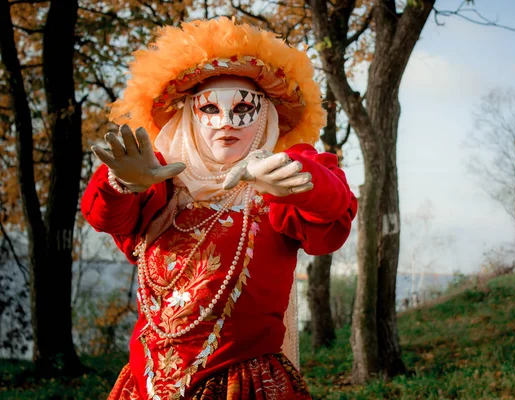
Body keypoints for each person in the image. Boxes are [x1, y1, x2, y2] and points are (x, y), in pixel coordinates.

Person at [81, 17, 357, 400]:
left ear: (265, 115)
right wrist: (122, 185)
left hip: (241, 387)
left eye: (243, 108)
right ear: (189, 113)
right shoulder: (161, 188)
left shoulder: (274, 185)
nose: (226, 122)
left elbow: (334, 211)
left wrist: (296, 181)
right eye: (210, 109)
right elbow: (107, 218)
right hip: (147, 384)